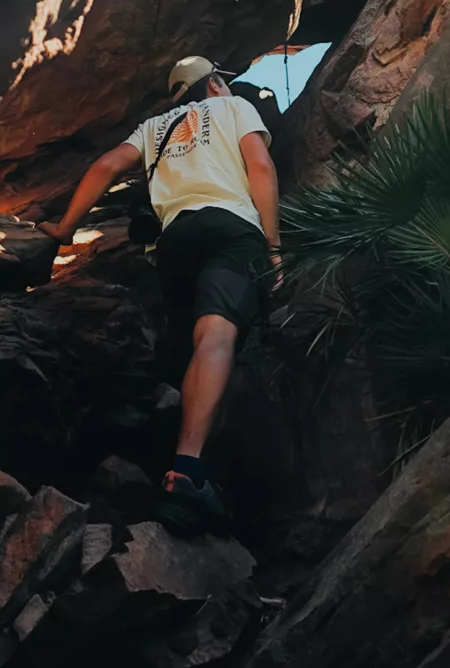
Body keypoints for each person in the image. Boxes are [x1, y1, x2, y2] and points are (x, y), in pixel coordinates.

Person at [38, 56, 281, 531]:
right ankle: (188, 471)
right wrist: (273, 247)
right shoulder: (233, 108)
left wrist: (65, 228)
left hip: (175, 242)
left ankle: (181, 467)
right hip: (230, 230)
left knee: (191, 348)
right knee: (217, 337)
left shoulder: (154, 127)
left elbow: (106, 164)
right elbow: (261, 166)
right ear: (214, 84)